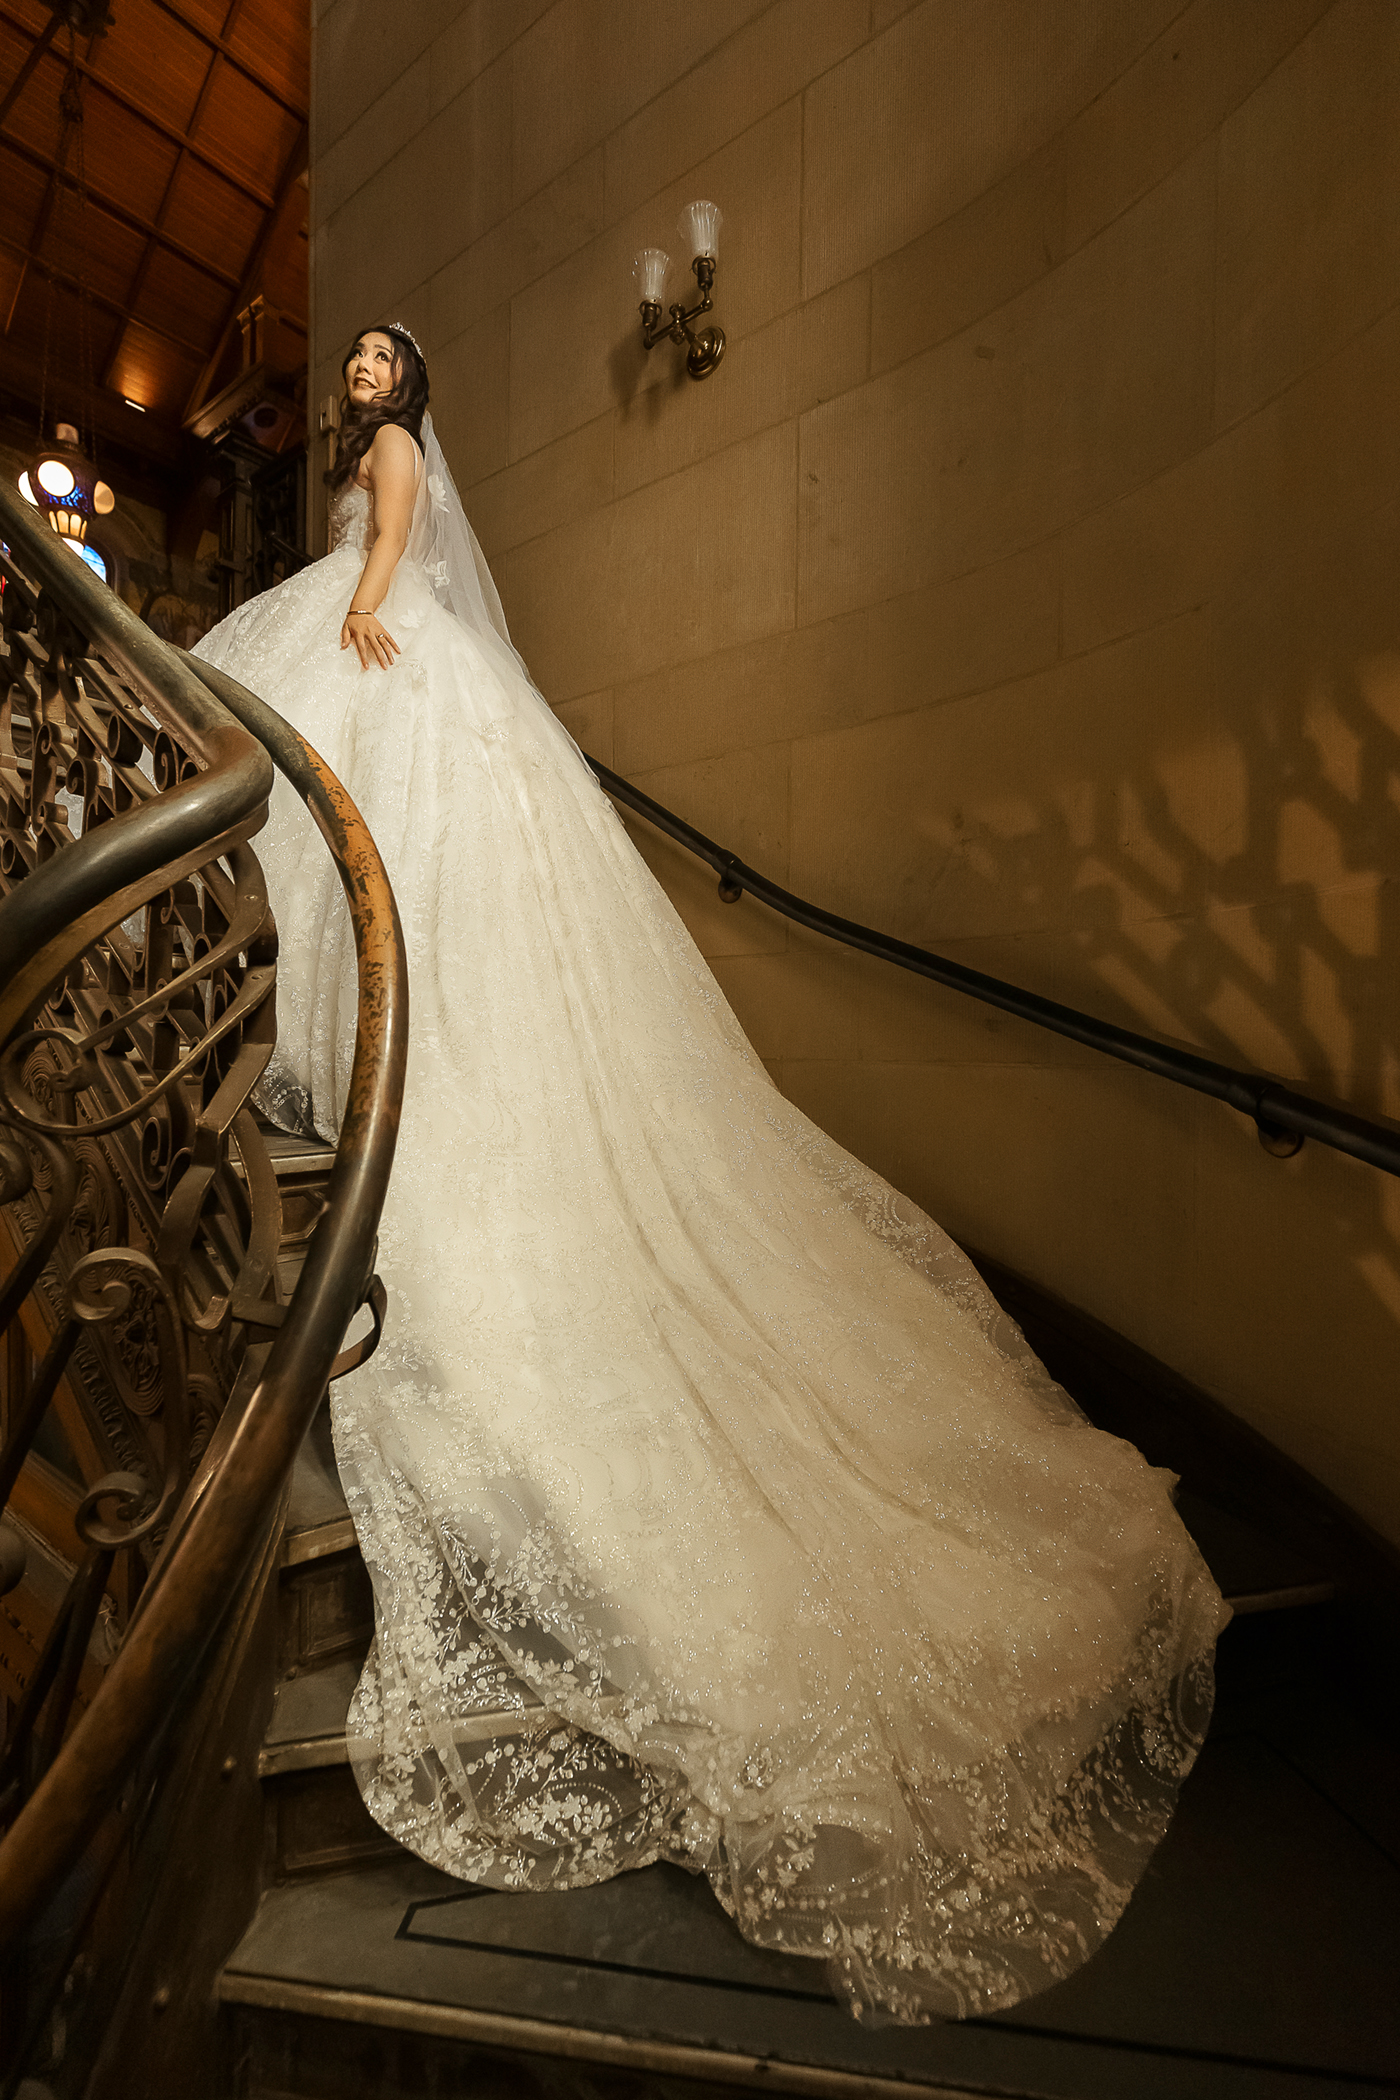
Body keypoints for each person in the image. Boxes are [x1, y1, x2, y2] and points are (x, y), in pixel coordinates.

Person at [193, 323, 1227, 2024]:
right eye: (357, 362)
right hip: (423, 681)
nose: (366, 379)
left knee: (358, 867)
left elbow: (387, 543)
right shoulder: (398, 508)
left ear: (415, 398)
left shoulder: (388, 507)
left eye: (387, 363)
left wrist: (369, 604)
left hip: (399, 670)